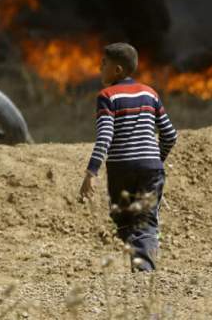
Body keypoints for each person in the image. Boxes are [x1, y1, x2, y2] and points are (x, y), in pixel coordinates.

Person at [79, 43, 177, 272]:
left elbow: (105, 136)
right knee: (145, 221)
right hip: (151, 167)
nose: (99, 67)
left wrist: (91, 171)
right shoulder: (150, 93)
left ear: (118, 70)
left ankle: (142, 275)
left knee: (124, 220)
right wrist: (155, 160)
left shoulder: (107, 96)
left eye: (104, 63)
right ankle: (142, 269)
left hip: (120, 169)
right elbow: (170, 135)